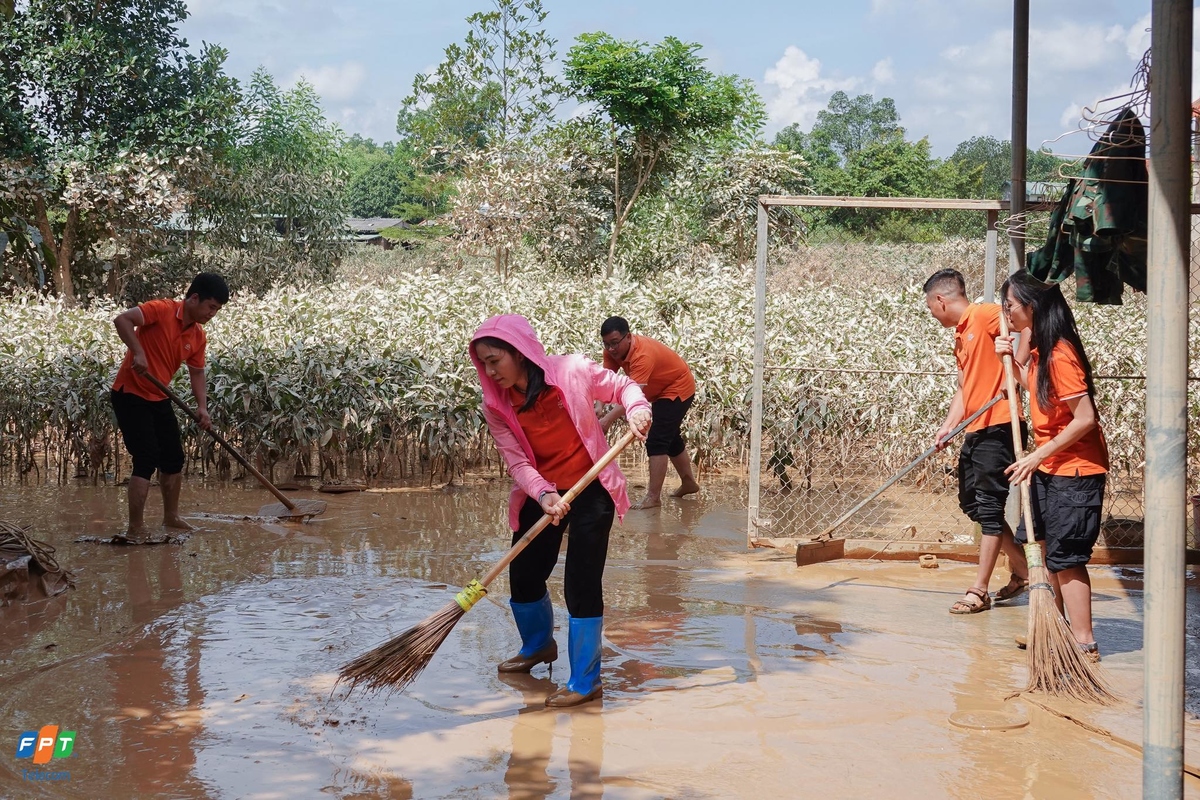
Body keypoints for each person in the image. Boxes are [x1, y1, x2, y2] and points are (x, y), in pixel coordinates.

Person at [470, 314, 652, 707]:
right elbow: (517, 462)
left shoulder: (571, 371)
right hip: (545, 493)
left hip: (592, 485)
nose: (489, 370)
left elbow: (623, 385)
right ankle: (538, 647)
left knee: (580, 583)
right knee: (524, 573)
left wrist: (637, 408)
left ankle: (586, 683)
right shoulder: (496, 403)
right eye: (482, 362)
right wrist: (543, 494)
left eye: (494, 359)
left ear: (519, 353)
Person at [996, 270, 1109, 662]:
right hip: (1048, 468)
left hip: (1075, 472)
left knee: (1067, 558)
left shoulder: (1060, 354)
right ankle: (1052, 628)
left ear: (1031, 306)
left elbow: (1084, 418)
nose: (1006, 312)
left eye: (1010, 305)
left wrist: (1037, 456)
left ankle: (1083, 643)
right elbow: (1024, 388)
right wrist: (1009, 359)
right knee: (1041, 548)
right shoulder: (1042, 351)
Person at [923, 269, 1029, 614]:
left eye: (930, 307)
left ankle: (978, 590)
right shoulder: (960, 335)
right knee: (971, 503)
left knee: (989, 507)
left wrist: (1017, 368)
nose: (932, 313)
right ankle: (1024, 569)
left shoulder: (983, 314)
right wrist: (947, 426)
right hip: (975, 428)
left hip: (999, 424)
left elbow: (1026, 325)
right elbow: (964, 388)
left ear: (941, 300)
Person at [111, 273, 228, 537]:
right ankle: (135, 528)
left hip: (159, 396)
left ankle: (171, 516)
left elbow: (197, 372)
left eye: (217, 310)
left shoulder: (197, 336)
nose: (213, 314)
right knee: (146, 458)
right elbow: (122, 320)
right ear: (194, 298)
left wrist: (202, 408)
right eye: (211, 307)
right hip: (130, 393)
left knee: (174, 458)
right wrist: (138, 352)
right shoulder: (161, 310)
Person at [598, 316, 700, 509]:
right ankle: (689, 483)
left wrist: (607, 420)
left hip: (676, 388)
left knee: (657, 440)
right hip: (658, 390)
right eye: (606, 344)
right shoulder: (611, 350)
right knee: (670, 436)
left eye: (614, 343)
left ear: (628, 337)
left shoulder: (642, 355)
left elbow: (633, 394)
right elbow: (606, 380)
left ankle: (653, 498)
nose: (611, 349)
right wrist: (599, 406)